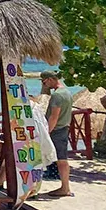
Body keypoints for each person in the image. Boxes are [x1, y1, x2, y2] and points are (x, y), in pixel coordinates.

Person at [41, 70, 74, 198]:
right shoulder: (67, 92)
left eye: (44, 82)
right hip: (64, 128)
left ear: (50, 79)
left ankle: (65, 188)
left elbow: (54, 117)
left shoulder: (57, 96)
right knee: (62, 159)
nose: (44, 85)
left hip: (56, 130)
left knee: (61, 160)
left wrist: (47, 133)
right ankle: (65, 187)